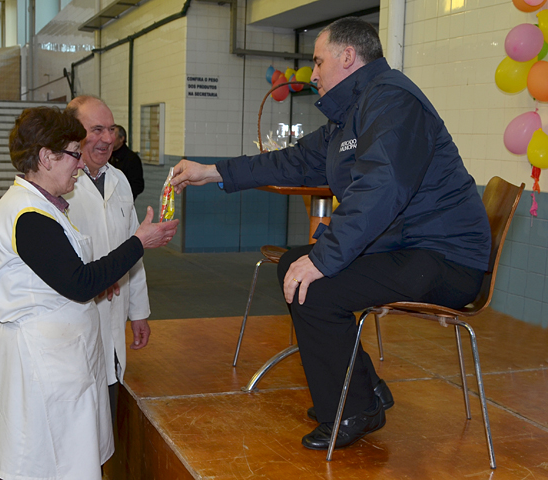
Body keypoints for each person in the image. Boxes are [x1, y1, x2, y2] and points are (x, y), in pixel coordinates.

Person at [170, 17, 491, 451]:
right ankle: (363, 391)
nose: (314, 73)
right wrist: (211, 172)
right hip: (409, 248)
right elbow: (292, 162)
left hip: (445, 258)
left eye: (319, 62)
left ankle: (355, 408)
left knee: (315, 287)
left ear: (347, 57)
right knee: (292, 265)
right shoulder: (351, 115)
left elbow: (383, 186)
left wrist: (324, 258)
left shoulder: (392, 101)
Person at [0, 106, 178, 480]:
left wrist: (103, 280)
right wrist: (138, 242)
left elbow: (65, 274)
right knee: (49, 464)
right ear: (46, 157)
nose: (80, 165)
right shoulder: (27, 215)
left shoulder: (43, 207)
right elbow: (77, 282)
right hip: (42, 364)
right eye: (72, 153)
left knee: (64, 461)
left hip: (57, 356)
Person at [63, 96, 148, 422]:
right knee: (78, 414)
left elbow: (133, 250)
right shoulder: (60, 187)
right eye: (97, 129)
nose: (109, 138)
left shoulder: (120, 180)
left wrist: (138, 311)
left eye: (111, 129)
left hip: (113, 316)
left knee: (107, 409)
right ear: (73, 133)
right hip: (75, 319)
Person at [109, 123, 144, 200]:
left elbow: (138, 186)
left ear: (122, 139)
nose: (110, 139)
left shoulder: (132, 159)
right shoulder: (107, 156)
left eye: (113, 135)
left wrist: (123, 195)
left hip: (124, 202)